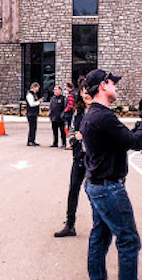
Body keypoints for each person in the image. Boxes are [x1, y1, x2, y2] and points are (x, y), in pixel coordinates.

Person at [80, 68, 142, 280]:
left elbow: (122, 140)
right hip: (108, 188)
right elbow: (136, 142)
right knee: (128, 241)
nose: (116, 86)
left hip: (96, 185)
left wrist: (141, 121)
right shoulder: (104, 116)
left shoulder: (94, 115)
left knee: (100, 236)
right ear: (103, 86)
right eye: (112, 82)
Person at [54, 84, 92, 238]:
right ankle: (70, 225)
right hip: (79, 158)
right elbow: (71, 131)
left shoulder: (99, 112)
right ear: (81, 94)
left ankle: (103, 226)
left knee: (96, 192)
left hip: (94, 160)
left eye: (90, 91)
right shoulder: (79, 113)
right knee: (73, 190)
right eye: (84, 92)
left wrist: (85, 138)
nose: (87, 94)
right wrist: (73, 142)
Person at [25, 82, 43, 146]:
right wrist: (39, 102)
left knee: (34, 127)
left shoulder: (34, 94)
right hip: (31, 113)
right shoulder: (29, 94)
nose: (37, 89)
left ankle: (33, 140)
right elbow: (31, 104)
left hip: (34, 113)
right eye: (37, 88)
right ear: (34, 87)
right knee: (31, 127)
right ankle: (30, 141)